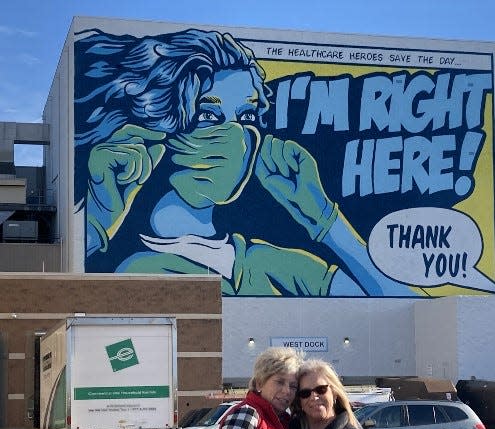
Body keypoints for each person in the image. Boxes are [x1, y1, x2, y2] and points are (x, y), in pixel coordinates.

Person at [74, 27, 415, 297]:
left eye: (247, 115)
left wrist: (324, 220)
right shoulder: (135, 268)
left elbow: (407, 318)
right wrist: (97, 224)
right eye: (209, 114)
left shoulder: (266, 261)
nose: (236, 135)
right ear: (158, 128)